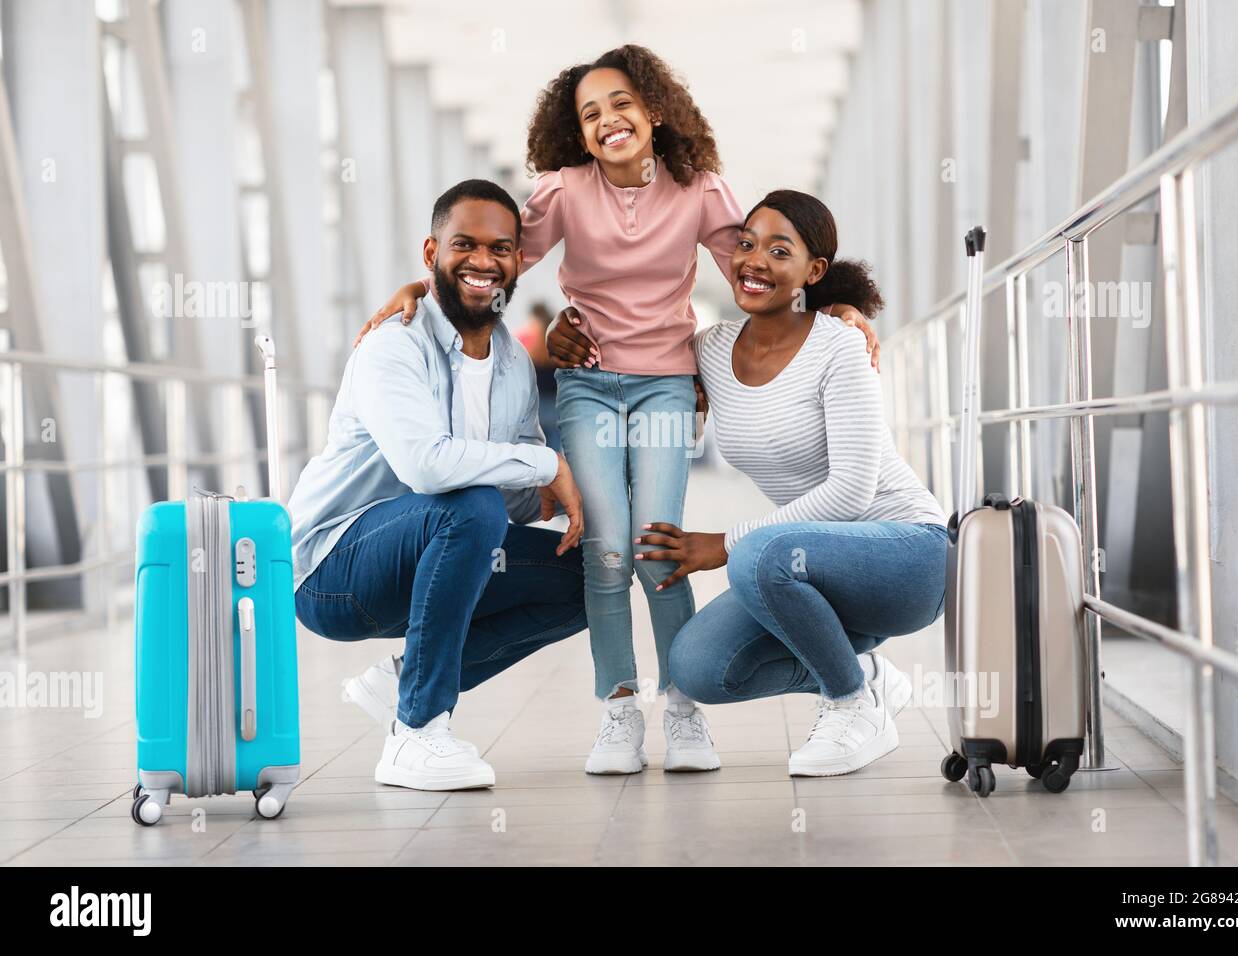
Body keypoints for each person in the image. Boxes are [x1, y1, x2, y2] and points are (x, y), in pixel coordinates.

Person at [356, 46, 878, 777]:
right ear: (577, 130)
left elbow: (763, 268)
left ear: (655, 109)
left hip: (666, 386)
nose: (607, 121)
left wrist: (839, 310)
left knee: (654, 545)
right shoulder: (564, 190)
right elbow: (490, 262)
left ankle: (686, 712)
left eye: (621, 104)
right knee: (603, 551)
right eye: (590, 113)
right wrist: (420, 288)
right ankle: (619, 712)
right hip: (589, 388)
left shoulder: (700, 191)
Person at [606, 190, 947, 778]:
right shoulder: (710, 351)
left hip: (908, 555)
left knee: (758, 556)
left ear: (812, 273)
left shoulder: (840, 344)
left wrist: (725, 543)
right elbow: (625, 353)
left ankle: (849, 705)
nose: (754, 259)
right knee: (699, 667)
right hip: (810, 567)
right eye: (746, 243)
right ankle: (861, 674)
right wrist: (565, 327)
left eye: (778, 250)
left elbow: (852, 491)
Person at [288, 180, 587, 791]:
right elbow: (428, 468)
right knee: (468, 504)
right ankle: (417, 734)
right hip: (333, 571)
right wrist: (546, 465)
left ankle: (404, 681)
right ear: (431, 255)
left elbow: (513, 498)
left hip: (436, 550)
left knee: (587, 577)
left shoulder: (510, 364)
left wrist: (592, 502)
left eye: (500, 248)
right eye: (464, 245)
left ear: (519, 261)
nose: (483, 262)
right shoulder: (392, 345)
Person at [515, 301, 561, 451]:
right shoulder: (558, 339)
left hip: (536, 406)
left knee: (536, 451)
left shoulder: (527, 339)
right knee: (555, 452)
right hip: (556, 405)